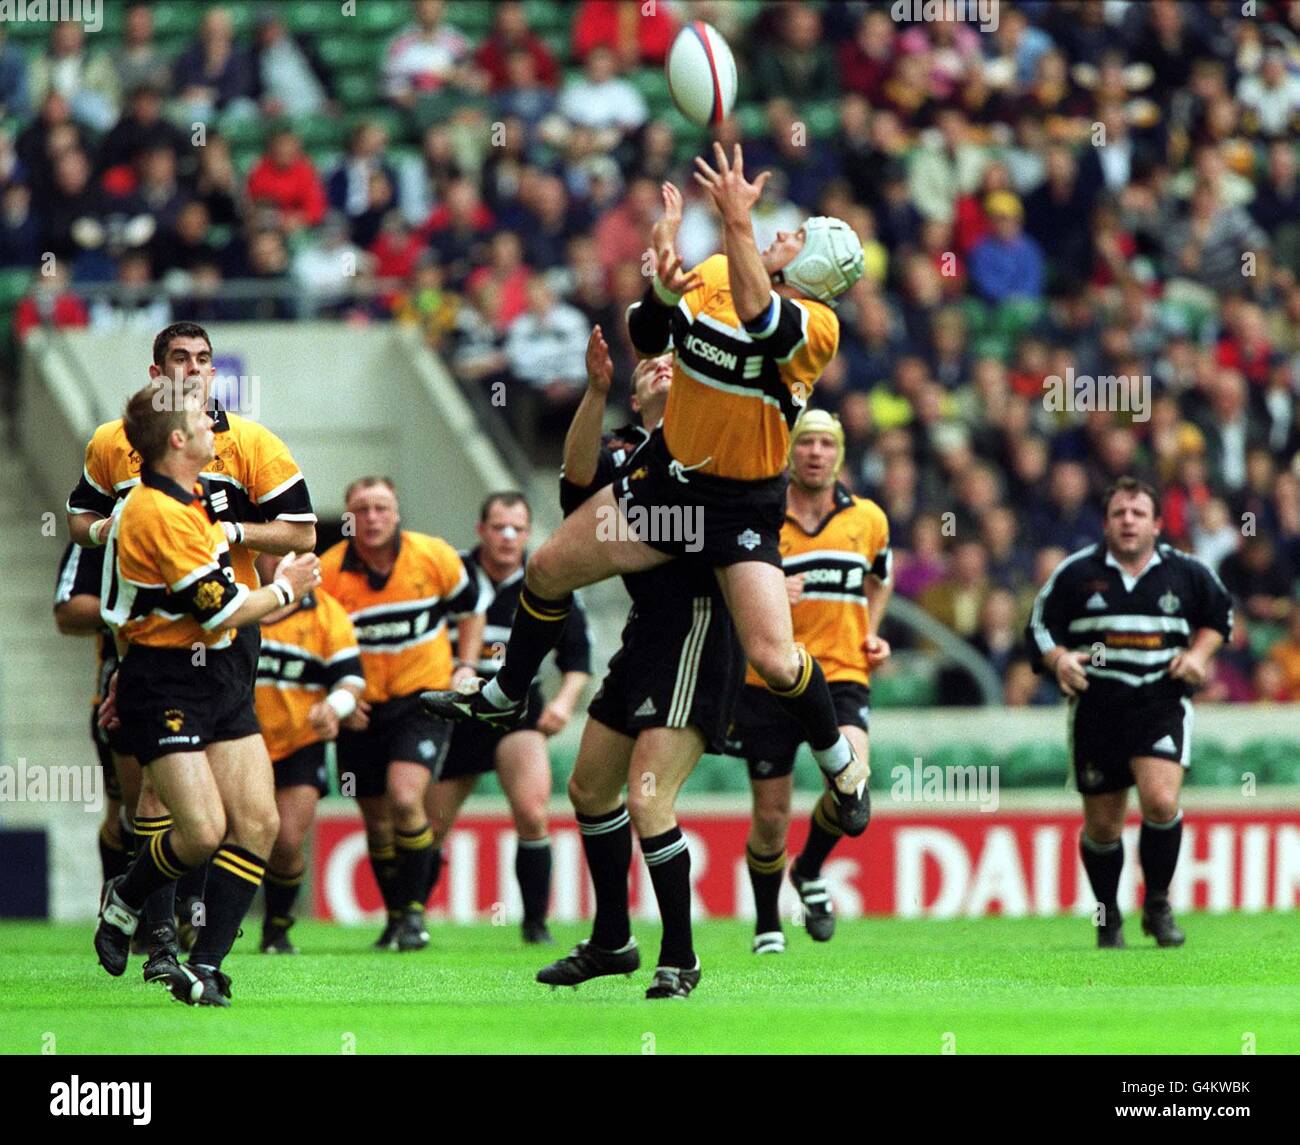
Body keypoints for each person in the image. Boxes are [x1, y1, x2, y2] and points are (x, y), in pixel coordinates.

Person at [422, 145, 872, 841]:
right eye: (781, 229)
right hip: (665, 482)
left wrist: (738, 224)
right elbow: (647, 336)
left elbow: (759, 317)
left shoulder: (818, 325)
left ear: (812, 266)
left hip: (739, 505)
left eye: (796, 236)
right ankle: (506, 692)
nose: (784, 233)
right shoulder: (719, 270)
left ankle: (842, 766)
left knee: (776, 658)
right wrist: (663, 286)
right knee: (544, 569)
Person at [66, 321, 317, 980]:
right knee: (187, 822)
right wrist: (287, 588)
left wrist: (249, 541)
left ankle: (204, 966)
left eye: (205, 360)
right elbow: (221, 600)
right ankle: (144, 922)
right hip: (170, 663)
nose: (215, 432)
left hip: (225, 655)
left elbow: (298, 533)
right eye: (182, 360)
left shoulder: (225, 464)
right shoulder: (154, 504)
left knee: (255, 821)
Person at [534, 333, 746, 998]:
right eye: (651, 361)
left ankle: (680, 957)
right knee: (589, 789)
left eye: (676, 361)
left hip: (698, 629)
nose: (662, 363)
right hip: (644, 634)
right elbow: (574, 489)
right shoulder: (628, 450)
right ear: (634, 393)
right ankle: (612, 940)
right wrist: (593, 393)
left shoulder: (706, 445)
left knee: (649, 797)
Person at [1027, 476, 1233, 949]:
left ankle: (1157, 904)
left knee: (1160, 801)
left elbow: (1221, 617)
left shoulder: (1188, 573)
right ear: (1106, 522)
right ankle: (1108, 916)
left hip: (1160, 699)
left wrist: (1199, 655)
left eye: (1139, 513)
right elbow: (1038, 628)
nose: (1128, 521)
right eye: (1119, 513)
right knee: (1103, 825)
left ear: (1158, 523)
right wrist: (1059, 659)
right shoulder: (1077, 573)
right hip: (1098, 705)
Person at [724, 411, 892, 953]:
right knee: (771, 816)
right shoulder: (764, 517)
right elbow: (727, 588)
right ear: (789, 452)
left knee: (852, 783)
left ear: (839, 454)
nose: (816, 453)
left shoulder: (868, 519)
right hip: (770, 678)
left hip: (841, 674)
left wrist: (873, 631)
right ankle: (768, 924)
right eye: (806, 443)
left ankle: (811, 868)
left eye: (826, 444)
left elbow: (879, 579)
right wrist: (770, 593)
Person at [319, 477, 486, 952]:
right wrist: (339, 699)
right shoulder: (329, 573)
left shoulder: (433, 556)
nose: (371, 518)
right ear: (348, 516)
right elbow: (314, 641)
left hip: (423, 700)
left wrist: (465, 665)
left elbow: (471, 609)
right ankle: (395, 916)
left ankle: (413, 914)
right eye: (361, 509)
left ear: (396, 513)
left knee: (405, 797)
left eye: (381, 508)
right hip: (363, 709)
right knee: (376, 821)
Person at [428, 493, 590, 945]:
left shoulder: (546, 579)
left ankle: (535, 924)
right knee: (429, 825)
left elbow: (577, 657)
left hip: (516, 710)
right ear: (481, 530)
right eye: (498, 527)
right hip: (455, 709)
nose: (507, 537)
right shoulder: (452, 574)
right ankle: (410, 920)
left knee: (533, 812)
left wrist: (564, 703)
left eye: (517, 529)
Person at [252, 553, 366, 954]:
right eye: (274, 553)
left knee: (285, 841)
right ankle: (195, 923)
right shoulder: (238, 600)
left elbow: (351, 679)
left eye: (295, 553)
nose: (284, 561)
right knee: (220, 835)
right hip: (239, 742)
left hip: (300, 743)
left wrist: (332, 708)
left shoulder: (325, 613)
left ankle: (277, 928)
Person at [53, 543, 131, 886]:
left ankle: (186, 909)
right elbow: (67, 611)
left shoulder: (211, 519)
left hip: (201, 684)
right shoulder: (102, 526)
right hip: (122, 691)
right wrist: (137, 608)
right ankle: (121, 910)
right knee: (130, 809)